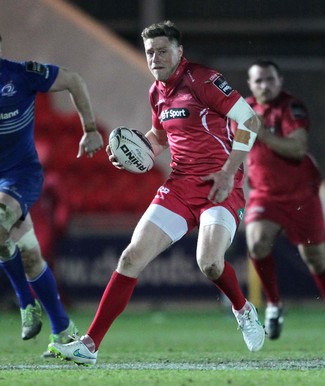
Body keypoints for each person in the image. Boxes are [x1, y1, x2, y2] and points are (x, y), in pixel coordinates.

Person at [48, 20, 265, 365]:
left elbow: (251, 120)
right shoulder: (156, 92)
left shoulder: (203, 80)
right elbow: (160, 136)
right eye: (150, 52)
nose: (155, 58)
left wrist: (227, 173)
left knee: (209, 263)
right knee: (131, 257)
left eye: (163, 51)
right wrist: (135, 153)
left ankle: (242, 309)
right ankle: (90, 345)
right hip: (179, 185)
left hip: (221, 185)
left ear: (180, 52)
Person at [0, 33, 104, 355]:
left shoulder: (21, 74)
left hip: (21, 176)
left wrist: (89, 128)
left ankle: (25, 303)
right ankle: (62, 330)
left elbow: (74, 80)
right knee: (30, 256)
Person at [243, 59, 325, 339]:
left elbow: (298, 149)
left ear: (280, 81)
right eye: (259, 81)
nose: (265, 85)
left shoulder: (291, 107)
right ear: (250, 85)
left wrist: (262, 133)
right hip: (265, 193)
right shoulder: (242, 110)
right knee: (256, 241)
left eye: (270, 79)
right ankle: (274, 305)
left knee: (314, 258)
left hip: (302, 193)